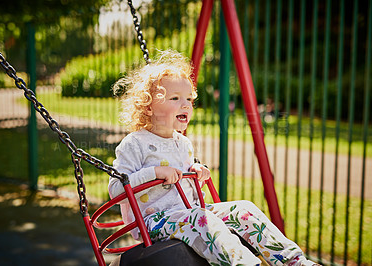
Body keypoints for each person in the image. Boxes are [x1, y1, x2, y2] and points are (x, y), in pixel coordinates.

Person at [108, 50, 318, 266]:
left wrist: (196, 172)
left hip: (191, 212)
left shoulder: (183, 143)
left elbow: (188, 185)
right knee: (201, 219)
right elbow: (116, 189)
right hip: (155, 221)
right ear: (148, 106)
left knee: (242, 209)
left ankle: (294, 261)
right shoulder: (135, 143)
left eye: (189, 99)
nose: (186, 105)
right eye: (175, 98)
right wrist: (154, 173)